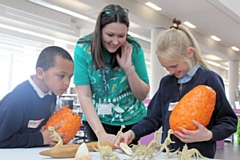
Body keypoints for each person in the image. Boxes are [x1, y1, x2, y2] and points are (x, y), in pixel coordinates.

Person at [115, 18, 238, 158]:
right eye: (166, 68)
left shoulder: (209, 79)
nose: (171, 71)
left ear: (189, 53)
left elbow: (229, 121)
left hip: (199, 156)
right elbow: (153, 118)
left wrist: (209, 135)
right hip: (169, 155)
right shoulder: (166, 83)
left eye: (174, 66)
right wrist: (132, 133)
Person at [73, 4, 150, 143]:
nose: (115, 42)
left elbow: (142, 94)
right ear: (99, 30)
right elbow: (84, 95)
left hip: (130, 122)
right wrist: (101, 134)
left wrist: (129, 70)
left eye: (121, 36)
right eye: (110, 35)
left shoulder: (134, 47)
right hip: (97, 122)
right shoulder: (83, 48)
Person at [0, 46, 74, 148]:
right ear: (40, 73)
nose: (67, 83)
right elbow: (2, 140)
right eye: (61, 76)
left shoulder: (51, 95)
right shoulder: (18, 99)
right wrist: (40, 138)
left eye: (70, 77)